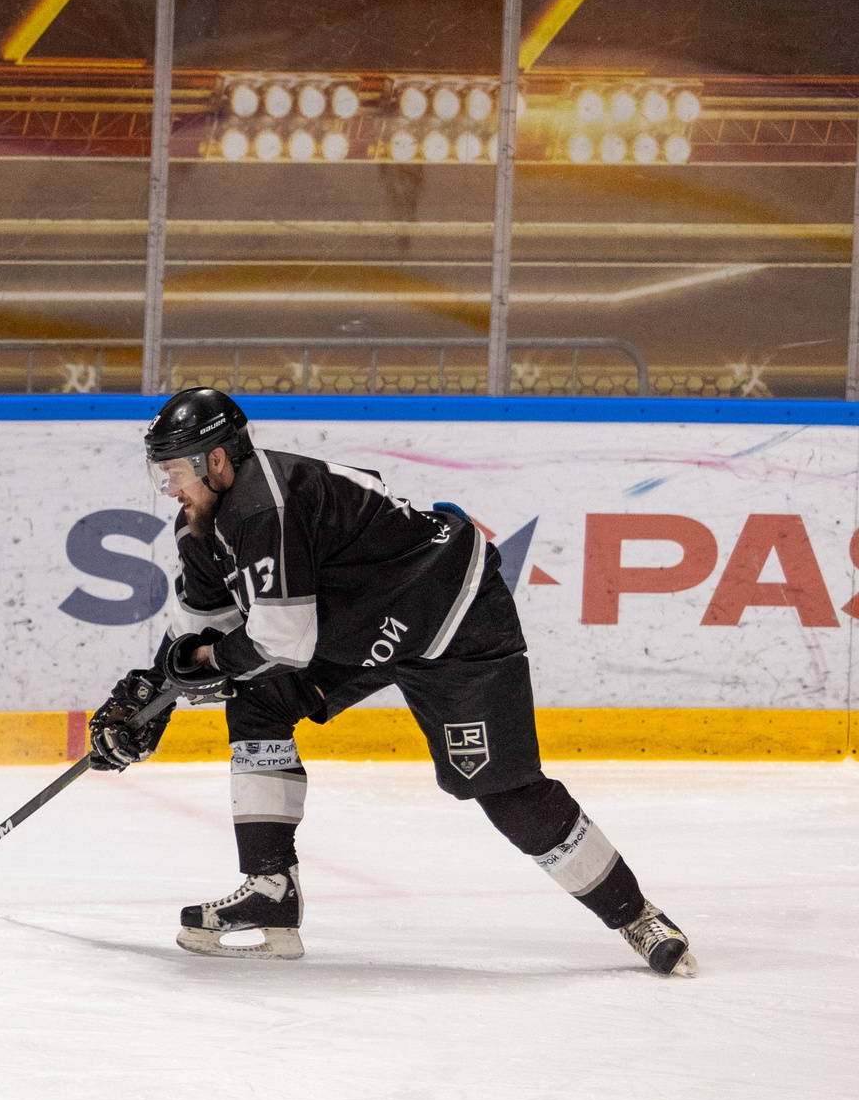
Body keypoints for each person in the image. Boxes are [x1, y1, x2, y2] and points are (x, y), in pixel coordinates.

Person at [87, 388, 697, 976]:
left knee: (502, 789)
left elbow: (279, 642)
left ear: (216, 461)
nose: (169, 488)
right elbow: (200, 629)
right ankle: (271, 890)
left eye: (174, 471)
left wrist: (204, 669)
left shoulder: (263, 507)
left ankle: (637, 917)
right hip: (358, 626)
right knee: (257, 705)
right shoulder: (202, 528)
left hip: (450, 610)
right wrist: (151, 699)